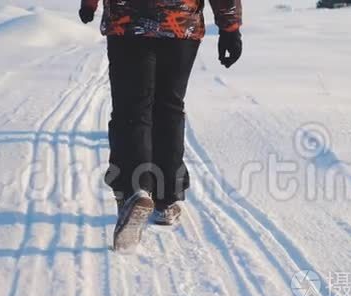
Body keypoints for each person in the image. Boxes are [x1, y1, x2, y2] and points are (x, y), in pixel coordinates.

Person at [78, 0, 242, 248]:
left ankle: (136, 190)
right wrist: (230, 27)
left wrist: (89, 4)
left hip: (128, 22)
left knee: (132, 109)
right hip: (180, 25)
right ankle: (165, 201)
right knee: (169, 108)